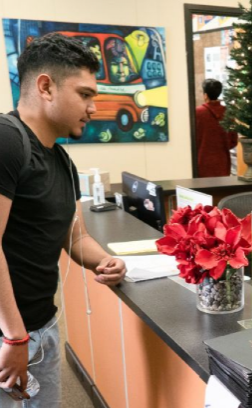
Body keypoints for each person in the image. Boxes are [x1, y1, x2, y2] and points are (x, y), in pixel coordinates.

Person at [0, 33, 127, 407]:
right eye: (85, 94)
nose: (93, 108)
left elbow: (74, 236)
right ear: (46, 87)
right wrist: (15, 336)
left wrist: (105, 260)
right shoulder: (7, 141)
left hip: (43, 326)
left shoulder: (60, 160)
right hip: (10, 335)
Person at [195, 79, 238, 178]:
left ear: (205, 95)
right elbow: (233, 141)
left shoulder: (197, 113)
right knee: (222, 192)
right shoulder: (228, 114)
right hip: (223, 163)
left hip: (201, 163)